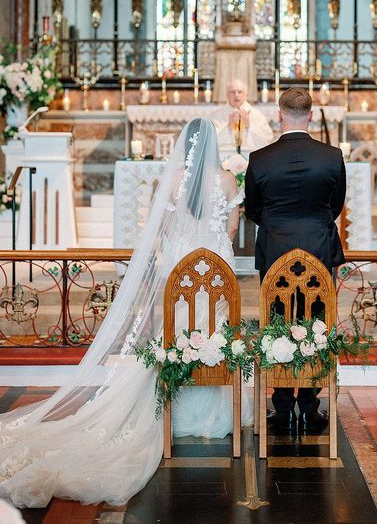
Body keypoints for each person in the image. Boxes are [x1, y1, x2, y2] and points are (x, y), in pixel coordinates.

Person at [0, 118, 252, 508]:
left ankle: (170, 411)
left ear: (185, 145)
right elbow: (232, 230)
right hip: (217, 271)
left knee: (176, 335)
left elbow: (160, 229)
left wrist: (177, 254)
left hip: (179, 269)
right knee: (213, 335)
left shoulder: (172, 182)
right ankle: (209, 415)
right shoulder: (228, 182)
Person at [244, 87, 346, 434]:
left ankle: (282, 405)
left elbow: (254, 209)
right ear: (312, 115)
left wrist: (280, 225)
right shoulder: (332, 157)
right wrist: (313, 224)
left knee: (278, 322)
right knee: (317, 322)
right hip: (318, 247)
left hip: (275, 249)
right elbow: (336, 205)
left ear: (279, 114)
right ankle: (311, 406)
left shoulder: (259, 159)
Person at [212, 79, 273, 157]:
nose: (236, 95)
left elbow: (268, 139)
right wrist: (228, 128)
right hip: (225, 158)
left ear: (246, 95)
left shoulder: (257, 114)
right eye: (232, 92)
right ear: (227, 95)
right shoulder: (217, 115)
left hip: (251, 158)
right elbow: (211, 141)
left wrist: (249, 126)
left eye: (240, 92)